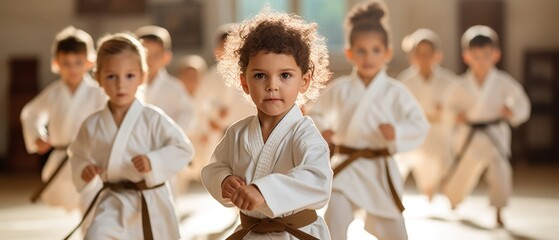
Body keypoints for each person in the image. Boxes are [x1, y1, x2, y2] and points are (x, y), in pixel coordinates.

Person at [201, 8, 333, 240]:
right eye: (260, 75)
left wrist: (264, 192)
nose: (272, 86)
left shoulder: (304, 133)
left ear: (304, 81)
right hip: (251, 233)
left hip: (296, 234)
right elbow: (214, 167)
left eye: (285, 75)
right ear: (244, 82)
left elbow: (317, 180)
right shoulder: (237, 132)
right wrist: (224, 180)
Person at [308, 1, 430, 239]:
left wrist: (396, 132)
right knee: (335, 218)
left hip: (379, 170)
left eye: (375, 50)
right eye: (361, 50)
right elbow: (315, 114)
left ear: (387, 53)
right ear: (349, 53)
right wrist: (324, 130)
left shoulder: (395, 91)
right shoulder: (340, 89)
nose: (368, 57)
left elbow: (419, 124)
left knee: (395, 232)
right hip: (347, 168)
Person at [66, 33, 194, 239]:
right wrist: (84, 169)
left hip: (151, 200)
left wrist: (154, 161)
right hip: (112, 200)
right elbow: (77, 152)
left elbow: (184, 149)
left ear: (143, 76)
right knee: (96, 235)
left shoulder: (153, 118)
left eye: (129, 76)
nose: (120, 85)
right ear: (98, 77)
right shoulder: (92, 124)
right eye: (111, 76)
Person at [442, 25, 531, 226]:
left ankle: (499, 211)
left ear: (496, 55)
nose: (481, 61)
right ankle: (454, 199)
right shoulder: (461, 84)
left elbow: (521, 103)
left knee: (500, 173)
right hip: (469, 135)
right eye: (475, 56)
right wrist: (455, 116)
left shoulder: (503, 82)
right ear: (466, 57)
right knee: (463, 171)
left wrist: (512, 112)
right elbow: (448, 107)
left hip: (495, 134)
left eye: (486, 55)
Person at [20, 26, 106, 211]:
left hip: (90, 158)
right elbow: (31, 113)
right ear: (56, 63)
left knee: (91, 205)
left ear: (90, 62)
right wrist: (37, 135)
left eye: (78, 62)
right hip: (61, 157)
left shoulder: (98, 93)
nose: (72, 68)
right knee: (66, 198)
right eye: (66, 63)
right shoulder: (54, 93)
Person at [395, 28, 457, 201]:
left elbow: (459, 107)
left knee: (447, 172)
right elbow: (398, 111)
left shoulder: (449, 81)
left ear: (437, 55)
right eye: (419, 54)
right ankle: (392, 198)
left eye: (428, 53)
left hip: (440, 137)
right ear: (412, 56)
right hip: (414, 137)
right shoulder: (405, 81)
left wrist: (448, 113)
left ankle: (448, 192)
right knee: (398, 162)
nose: (424, 58)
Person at [135, 25, 195, 134]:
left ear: (166, 57)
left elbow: (188, 116)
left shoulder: (174, 88)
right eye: (145, 55)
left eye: (155, 56)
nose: (149, 61)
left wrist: (171, 135)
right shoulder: (130, 85)